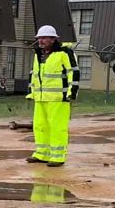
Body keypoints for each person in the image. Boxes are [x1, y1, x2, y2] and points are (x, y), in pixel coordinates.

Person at [27, 25, 79, 167]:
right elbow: (34, 74)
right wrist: (31, 92)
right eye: (39, 38)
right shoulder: (38, 54)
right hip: (41, 98)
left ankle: (57, 157)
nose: (40, 41)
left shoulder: (64, 53)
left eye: (44, 38)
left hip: (58, 98)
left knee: (57, 127)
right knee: (39, 126)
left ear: (53, 39)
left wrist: (72, 92)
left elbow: (73, 72)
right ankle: (42, 153)